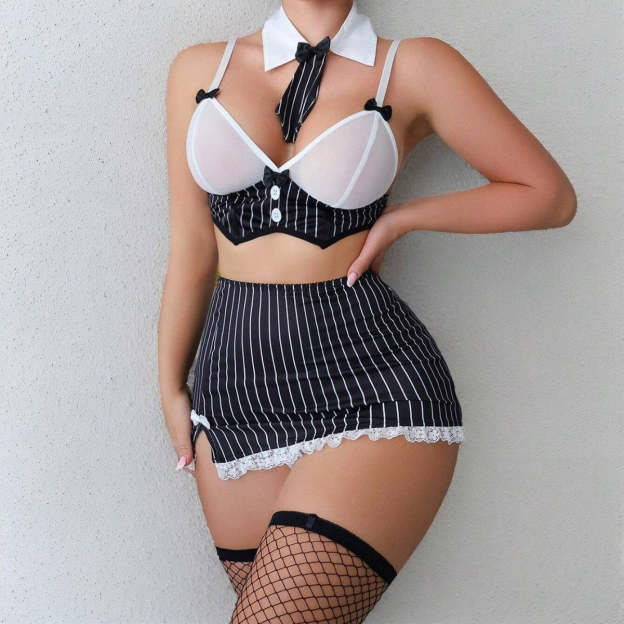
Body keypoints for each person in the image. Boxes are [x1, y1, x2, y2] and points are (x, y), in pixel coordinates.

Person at [159, 1, 576, 621]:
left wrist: (405, 218)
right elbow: (192, 248)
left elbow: (548, 195)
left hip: (370, 389)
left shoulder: (414, 67)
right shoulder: (199, 68)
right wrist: (170, 385)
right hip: (234, 400)